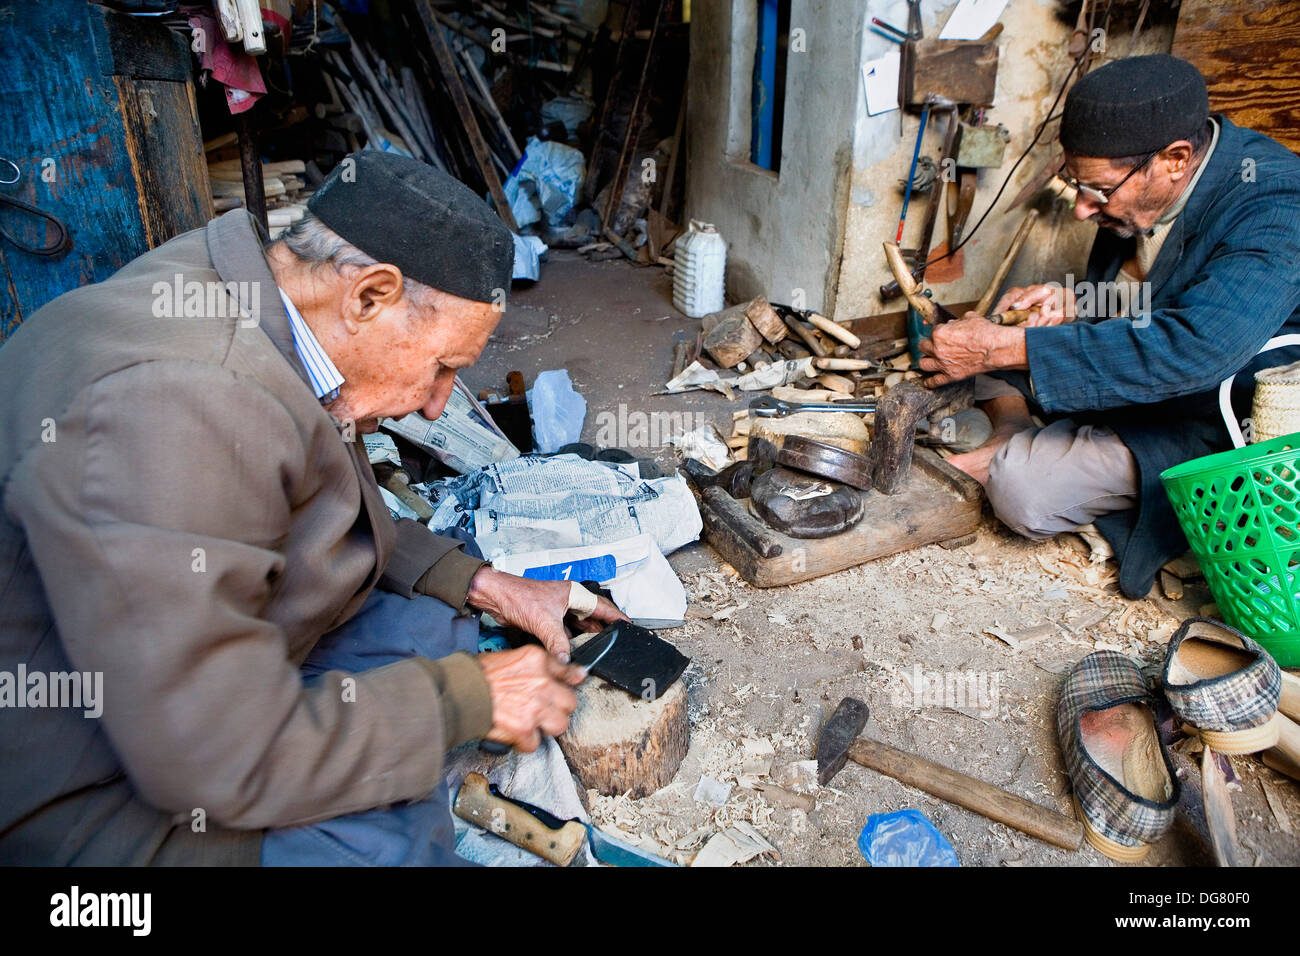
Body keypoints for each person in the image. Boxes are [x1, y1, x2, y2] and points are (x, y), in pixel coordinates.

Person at [0, 151, 624, 865]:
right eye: (443, 366)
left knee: (437, 623)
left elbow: (317, 499)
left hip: (168, 663)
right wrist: (460, 701)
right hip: (87, 796)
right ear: (368, 296)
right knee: (384, 843)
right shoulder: (182, 403)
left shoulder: (256, 296)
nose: (437, 402)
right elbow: (211, 759)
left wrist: (479, 582)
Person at [918, 54, 1300, 598]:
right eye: (1074, 184)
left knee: (1022, 491)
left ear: (1174, 159)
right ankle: (1009, 433)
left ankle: (1024, 451)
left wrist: (1005, 351)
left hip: (1214, 413)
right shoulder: (1142, 190)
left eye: (1096, 190)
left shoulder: (1277, 202)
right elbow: (1152, 292)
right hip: (1147, 374)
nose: (1080, 209)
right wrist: (1074, 303)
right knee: (996, 338)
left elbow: (1195, 347)